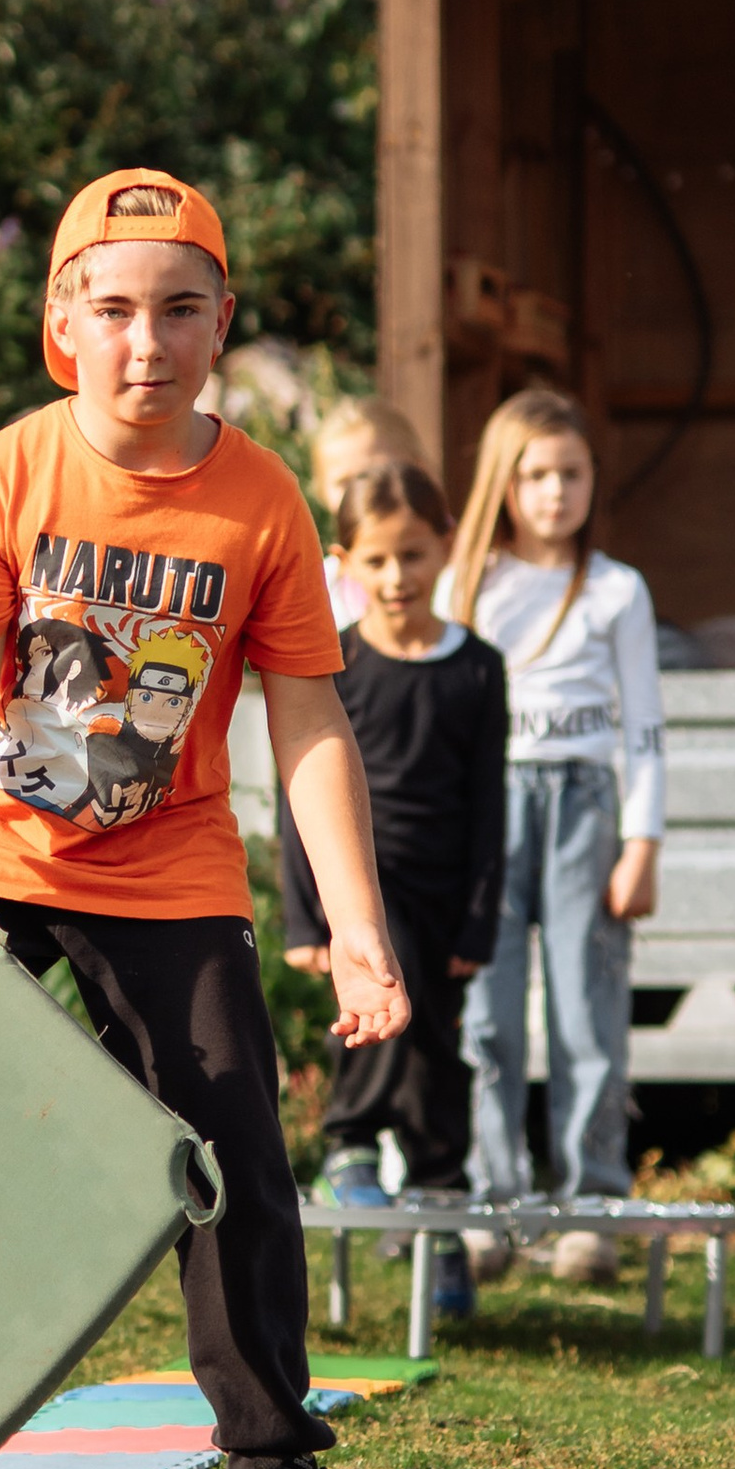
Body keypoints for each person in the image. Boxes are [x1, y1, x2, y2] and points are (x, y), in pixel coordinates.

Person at [0, 167, 410, 1469]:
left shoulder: (263, 505)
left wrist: (362, 929)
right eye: (118, 310)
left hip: (171, 870)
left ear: (221, 326)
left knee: (231, 1162)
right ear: (63, 323)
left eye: (182, 311)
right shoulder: (9, 475)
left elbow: (310, 726)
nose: (148, 342)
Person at [438, 385, 665, 1285]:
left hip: (584, 804)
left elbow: (645, 723)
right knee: (487, 1014)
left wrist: (642, 840)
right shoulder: (469, 582)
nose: (554, 493)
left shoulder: (617, 590)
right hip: (488, 808)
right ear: (505, 480)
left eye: (571, 473)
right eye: (535, 474)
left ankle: (591, 1206)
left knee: (586, 1007)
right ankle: (494, 1204)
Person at [282, 458, 506, 1322]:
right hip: (364, 893)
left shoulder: (477, 668)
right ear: (344, 564)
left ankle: (441, 1220)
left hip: (447, 896)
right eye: (375, 561)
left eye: (412, 556)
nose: (396, 577)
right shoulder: (334, 662)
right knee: (378, 1013)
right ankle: (350, 1145)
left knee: (439, 1054)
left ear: (445, 549)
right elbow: (302, 793)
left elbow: (489, 807)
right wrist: (311, 916)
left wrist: (481, 922)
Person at [311, 394, 432, 628]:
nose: (362, 493)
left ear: (418, 470)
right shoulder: (316, 590)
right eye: (344, 483)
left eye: (376, 473)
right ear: (322, 492)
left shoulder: (464, 577)